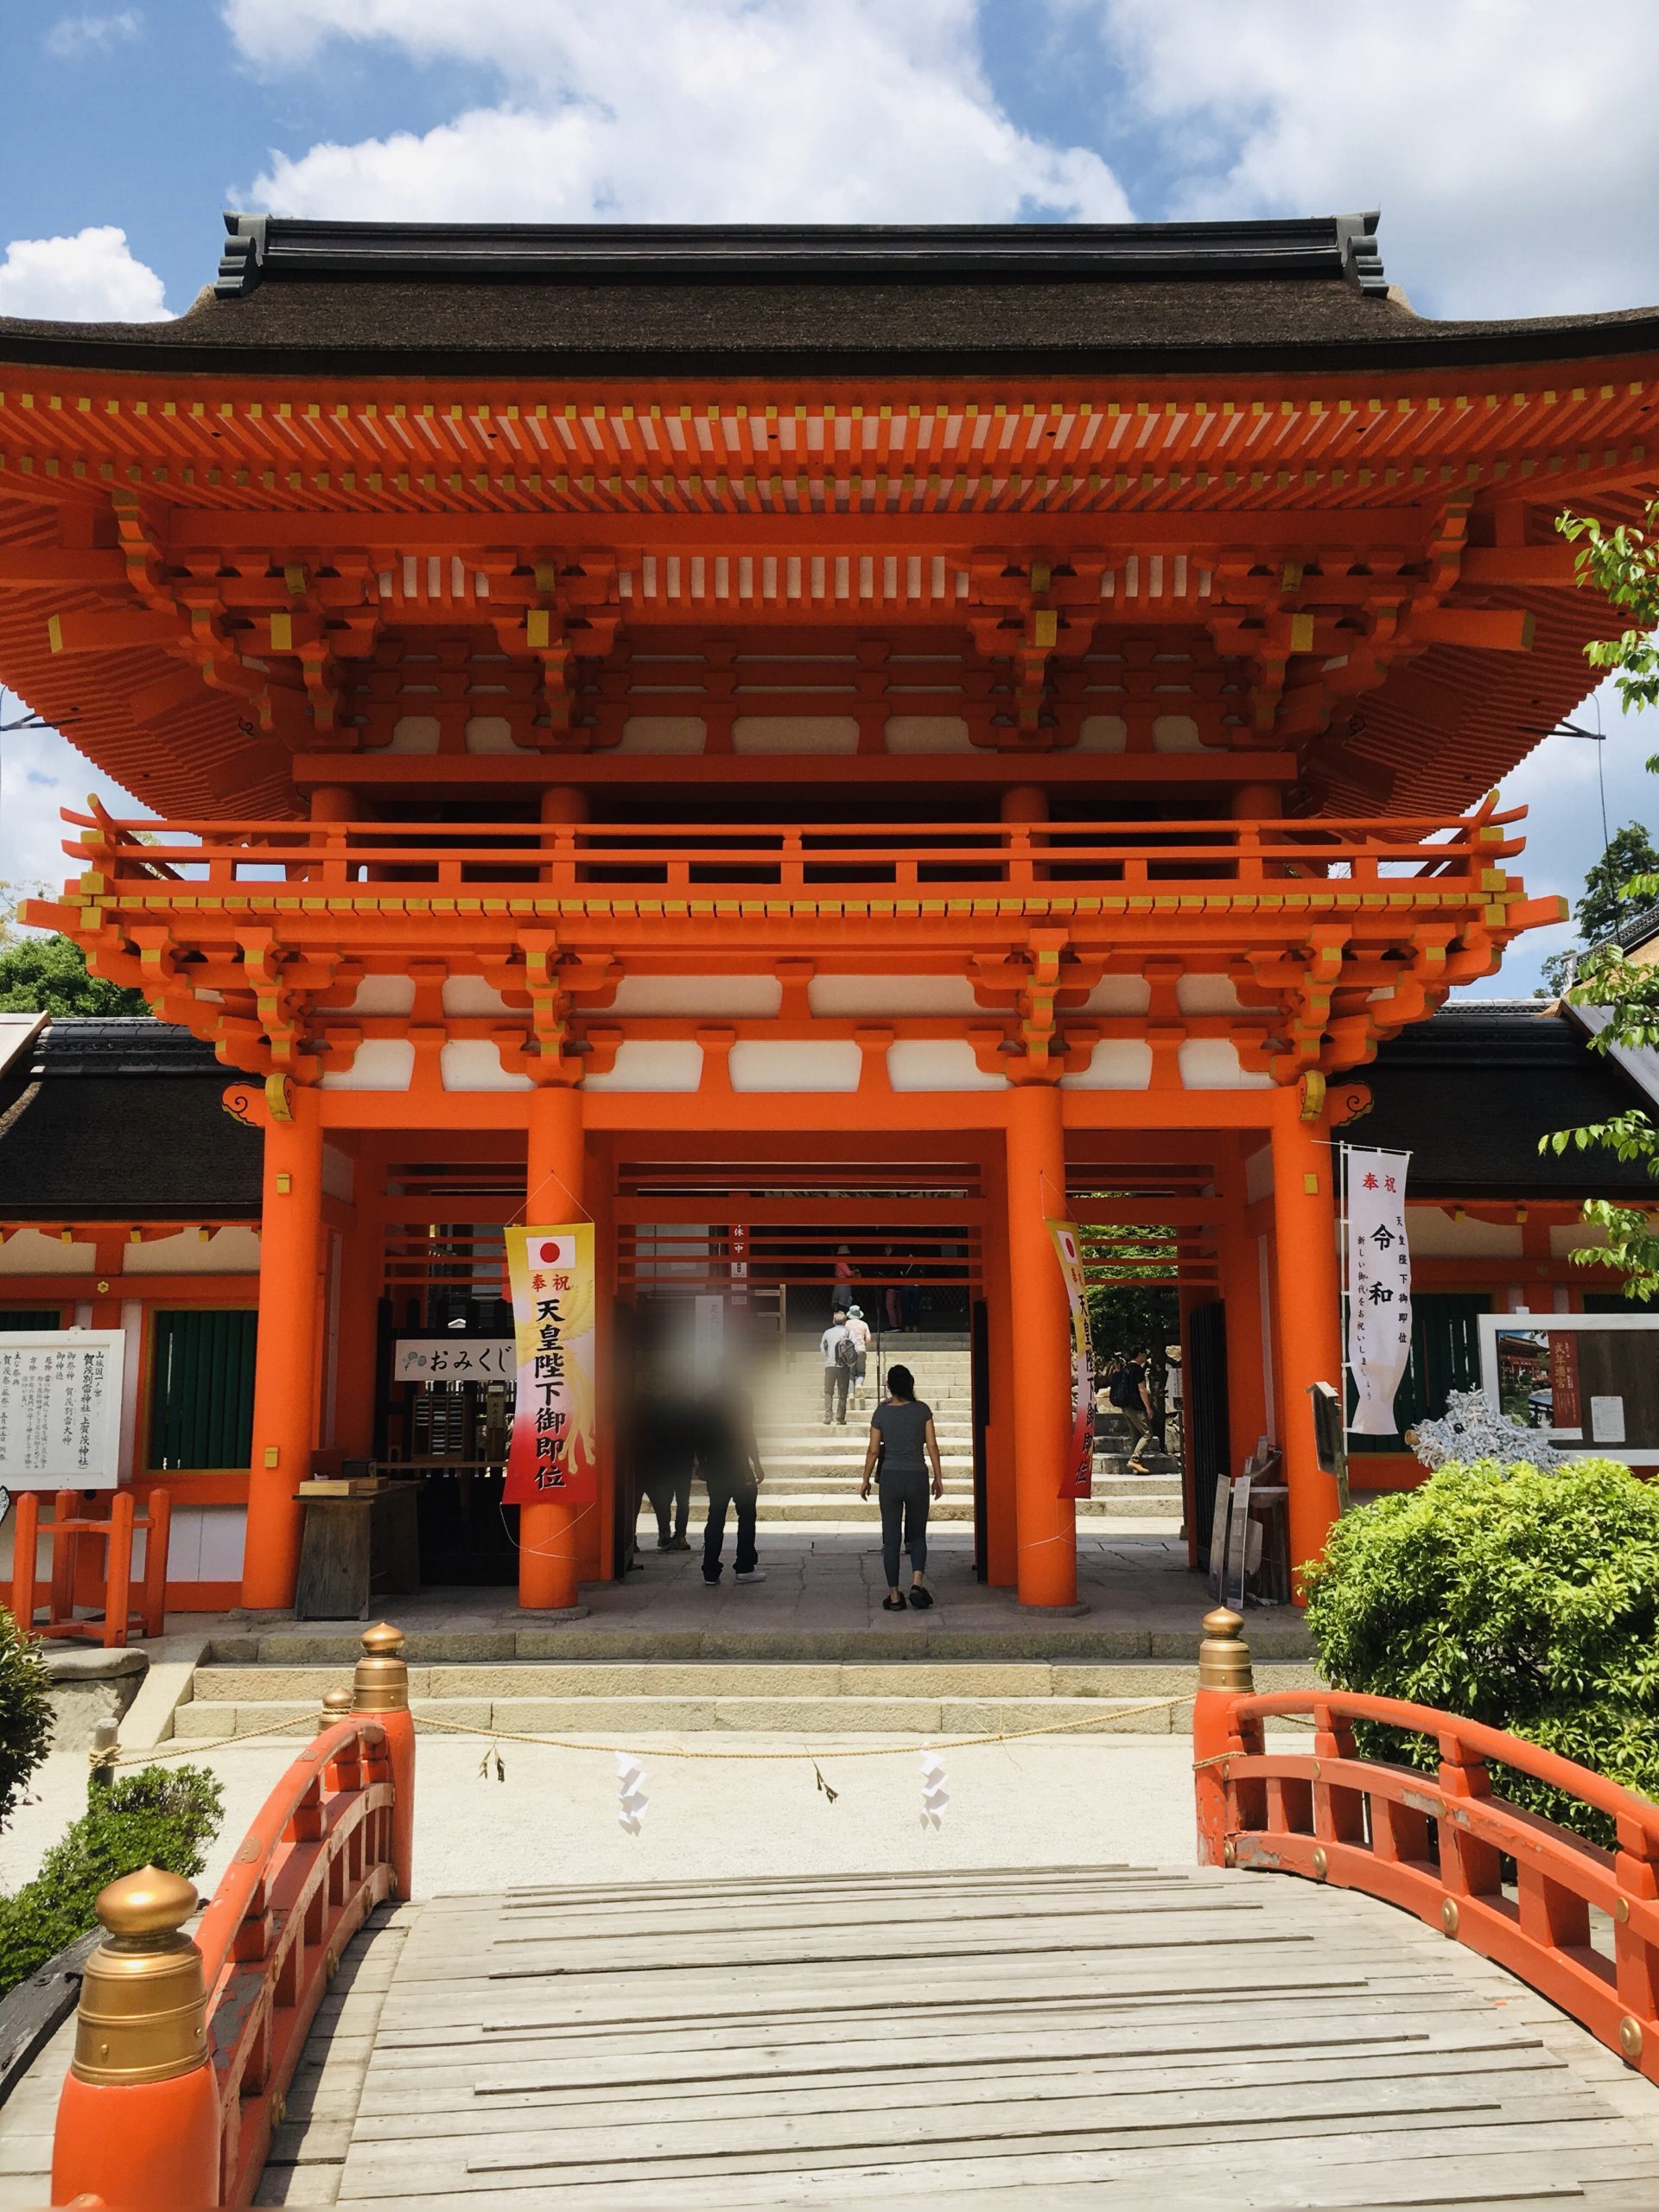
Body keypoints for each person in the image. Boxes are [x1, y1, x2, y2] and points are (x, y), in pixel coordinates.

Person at [861, 1362, 944, 1611]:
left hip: (891, 1478)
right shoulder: (922, 1411)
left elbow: (874, 1449)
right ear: (911, 1384)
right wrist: (938, 1477)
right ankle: (917, 1584)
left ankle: (895, 1596)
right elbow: (932, 1446)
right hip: (917, 1475)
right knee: (917, 1535)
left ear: (889, 1386)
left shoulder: (882, 1412)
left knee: (891, 1538)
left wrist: (865, 1479)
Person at [698, 1381, 766, 1585]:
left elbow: (698, 1434)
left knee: (715, 1517)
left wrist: (702, 1462)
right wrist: (756, 1462)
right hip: (737, 1466)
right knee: (746, 1516)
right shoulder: (742, 1398)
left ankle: (710, 1570)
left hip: (716, 1467)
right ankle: (745, 1566)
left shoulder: (707, 1398)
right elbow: (747, 1431)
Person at [1109, 1350, 1154, 1474]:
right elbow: (1142, 1389)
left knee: (1136, 1434)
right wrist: (1148, 1407)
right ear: (1139, 1354)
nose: (1146, 1356)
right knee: (1148, 1433)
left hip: (1125, 1407)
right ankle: (1134, 1460)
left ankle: (1136, 1466)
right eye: (1144, 1354)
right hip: (1136, 1406)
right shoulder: (1137, 1369)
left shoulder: (1125, 1369)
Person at [821, 1305, 855, 1426]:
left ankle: (828, 1416)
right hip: (843, 1366)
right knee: (842, 1392)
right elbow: (853, 1349)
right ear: (845, 1321)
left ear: (833, 1321)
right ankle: (840, 1418)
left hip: (830, 1366)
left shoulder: (827, 1332)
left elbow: (822, 1348)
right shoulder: (849, 1333)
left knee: (828, 1391)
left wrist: (828, 1358)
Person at [844, 1304, 872, 1404]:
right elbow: (868, 1338)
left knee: (851, 1373)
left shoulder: (846, 1324)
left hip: (850, 1350)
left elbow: (844, 1337)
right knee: (861, 1371)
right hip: (861, 1349)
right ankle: (859, 1385)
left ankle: (851, 1393)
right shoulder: (864, 1324)